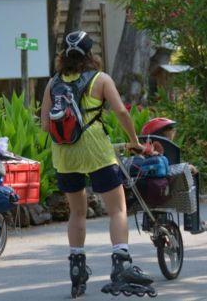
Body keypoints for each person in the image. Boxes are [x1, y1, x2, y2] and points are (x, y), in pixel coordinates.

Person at [41, 31, 154, 298]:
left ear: (63, 56)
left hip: (64, 154)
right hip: (96, 151)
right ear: (90, 54)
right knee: (117, 209)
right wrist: (134, 141)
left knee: (77, 212)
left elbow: (45, 124)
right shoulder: (100, 79)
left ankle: (77, 270)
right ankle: (121, 264)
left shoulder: (53, 83)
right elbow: (122, 112)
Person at [141, 117, 206, 233]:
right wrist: (188, 167)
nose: (173, 131)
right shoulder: (167, 147)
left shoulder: (142, 148)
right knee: (193, 175)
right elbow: (171, 168)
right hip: (169, 186)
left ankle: (147, 222)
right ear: (163, 132)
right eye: (170, 129)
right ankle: (193, 222)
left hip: (148, 189)